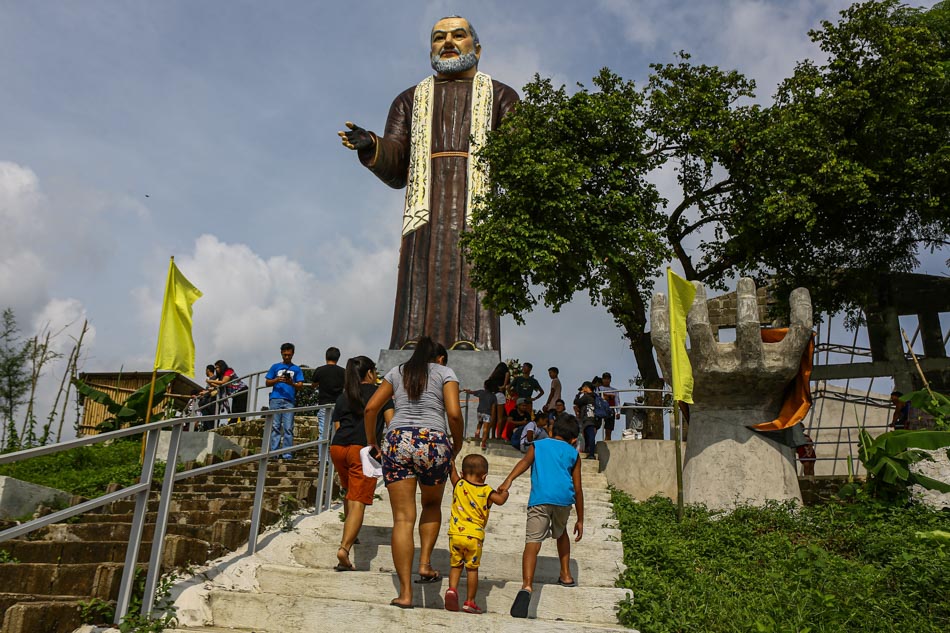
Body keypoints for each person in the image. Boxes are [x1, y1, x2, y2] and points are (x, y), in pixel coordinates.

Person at [339, 16, 520, 351]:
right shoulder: (409, 99)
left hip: (475, 210)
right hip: (425, 208)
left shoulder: (501, 96)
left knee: (473, 270)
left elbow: (518, 156)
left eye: (458, 35)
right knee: (419, 273)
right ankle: (412, 344)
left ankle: (473, 340)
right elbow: (396, 162)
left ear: (476, 48)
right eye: (439, 37)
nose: (447, 42)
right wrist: (372, 145)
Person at [364, 336, 463, 609]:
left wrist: (373, 441)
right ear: (438, 356)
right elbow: (454, 413)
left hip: (397, 442)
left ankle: (406, 593)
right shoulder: (445, 372)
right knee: (431, 504)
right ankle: (425, 564)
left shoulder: (397, 372)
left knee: (403, 520)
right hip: (433, 440)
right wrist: (458, 442)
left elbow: (371, 407)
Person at [497, 416, 584, 618]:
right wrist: (580, 518)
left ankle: (527, 586)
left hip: (540, 499)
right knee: (561, 534)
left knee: (533, 542)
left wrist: (508, 480)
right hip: (564, 500)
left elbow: (525, 462)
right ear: (573, 439)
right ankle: (566, 575)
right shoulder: (574, 453)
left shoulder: (539, 444)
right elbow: (578, 489)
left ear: (552, 431)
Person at [330, 355, 394, 571]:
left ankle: (351, 534)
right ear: (370, 373)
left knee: (349, 492)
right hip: (362, 450)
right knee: (358, 499)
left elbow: (338, 426)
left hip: (338, 447)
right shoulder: (380, 394)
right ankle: (344, 549)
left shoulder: (344, 395)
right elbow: (391, 424)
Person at [444, 454, 509, 614]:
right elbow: (500, 500)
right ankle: (470, 601)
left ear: (462, 473)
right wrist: (505, 492)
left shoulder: (459, 484)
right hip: (474, 537)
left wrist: (451, 460)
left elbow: (451, 472)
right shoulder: (487, 490)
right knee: (472, 569)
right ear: (485, 476)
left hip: (456, 535)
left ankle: (452, 590)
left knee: (456, 565)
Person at [264, 343, 305, 460]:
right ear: (281, 353)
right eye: (285, 354)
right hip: (275, 398)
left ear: (293, 354)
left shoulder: (296, 369)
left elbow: (300, 386)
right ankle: (274, 453)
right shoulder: (275, 366)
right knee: (275, 426)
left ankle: (287, 453)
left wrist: (291, 383)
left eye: (289, 355)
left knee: (288, 427)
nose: (287, 357)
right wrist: (277, 380)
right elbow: (267, 382)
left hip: (289, 400)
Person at [312, 347, 346, 440]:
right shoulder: (343, 372)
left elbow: (314, 385)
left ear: (326, 357)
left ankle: (322, 454)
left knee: (323, 433)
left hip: (324, 404)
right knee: (337, 432)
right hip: (338, 405)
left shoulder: (320, 370)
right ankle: (334, 454)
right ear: (338, 358)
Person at [207, 360, 247, 425]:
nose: (216, 369)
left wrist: (211, 381)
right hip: (235, 394)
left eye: (217, 367)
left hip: (242, 391)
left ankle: (243, 426)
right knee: (234, 412)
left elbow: (224, 382)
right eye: (215, 368)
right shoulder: (222, 376)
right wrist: (211, 384)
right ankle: (232, 425)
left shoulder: (229, 371)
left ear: (221, 366)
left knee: (241, 410)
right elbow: (221, 386)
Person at [484, 362, 510, 448]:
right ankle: (498, 436)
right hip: (499, 395)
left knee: (492, 417)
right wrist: (503, 386)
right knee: (500, 417)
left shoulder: (493, 377)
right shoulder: (505, 373)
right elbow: (504, 385)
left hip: (492, 396)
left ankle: (489, 435)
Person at [574, 381, 598, 460]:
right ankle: (589, 453)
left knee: (590, 436)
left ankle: (591, 454)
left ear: (586, 388)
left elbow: (576, 402)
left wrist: (578, 395)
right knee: (589, 436)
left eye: (582, 389)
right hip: (593, 419)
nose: (582, 391)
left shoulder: (587, 397)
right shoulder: (594, 396)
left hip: (588, 419)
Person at [598, 372, 620, 441]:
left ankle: (607, 442)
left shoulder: (614, 390)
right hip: (600, 409)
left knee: (608, 430)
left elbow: (617, 401)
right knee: (595, 427)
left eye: (608, 379)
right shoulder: (598, 389)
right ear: (602, 379)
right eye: (605, 379)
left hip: (610, 410)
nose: (606, 380)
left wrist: (618, 412)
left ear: (610, 380)